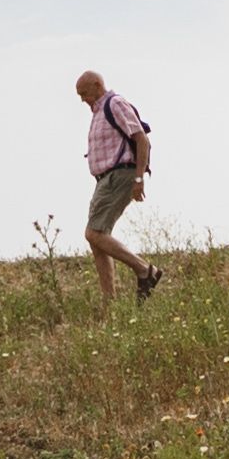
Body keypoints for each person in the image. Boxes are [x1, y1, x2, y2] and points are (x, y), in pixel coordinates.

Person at [73, 70, 160, 305]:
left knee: (94, 233)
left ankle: (145, 270)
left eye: (84, 93)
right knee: (97, 237)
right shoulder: (99, 112)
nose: (82, 99)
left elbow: (141, 139)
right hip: (105, 179)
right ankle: (109, 302)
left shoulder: (115, 104)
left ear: (97, 85)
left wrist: (139, 178)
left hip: (119, 175)